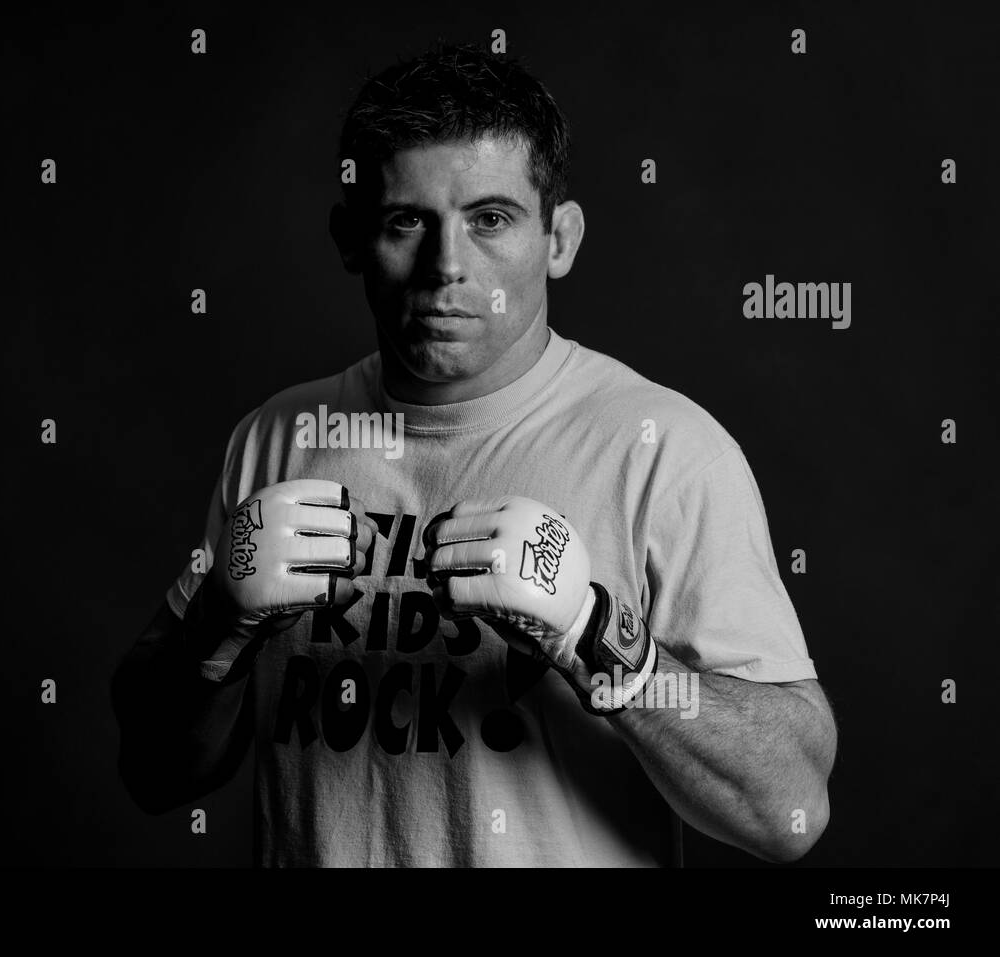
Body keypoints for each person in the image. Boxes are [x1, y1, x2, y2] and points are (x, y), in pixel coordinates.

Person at [111, 41, 837, 867]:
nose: (446, 267)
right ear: (351, 239)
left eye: (490, 219)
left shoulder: (665, 451)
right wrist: (215, 627)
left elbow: (789, 808)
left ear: (559, 239)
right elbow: (155, 772)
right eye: (405, 222)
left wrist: (604, 641)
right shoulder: (278, 436)